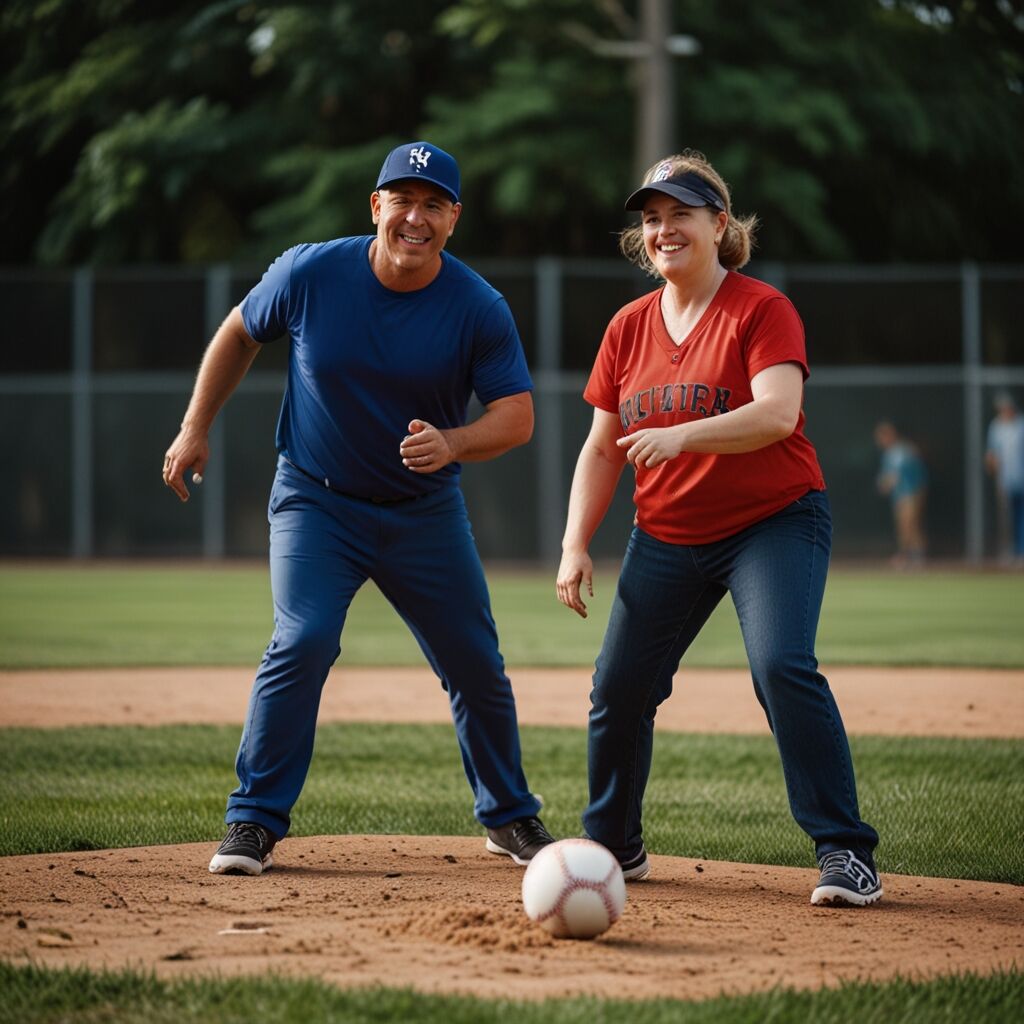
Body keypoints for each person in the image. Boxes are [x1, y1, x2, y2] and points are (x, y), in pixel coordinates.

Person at [162, 141, 553, 875]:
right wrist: (194, 427)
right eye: (402, 199)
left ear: (453, 218)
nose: (416, 216)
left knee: (475, 662)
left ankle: (509, 819)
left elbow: (518, 418)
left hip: (424, 511)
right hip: (318, 501)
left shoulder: (477, 307)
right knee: (303, 640)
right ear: (375, 207)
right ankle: (252, 822)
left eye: (434, 204)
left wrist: (455, 442)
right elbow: (239, 332)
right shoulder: (311, 272)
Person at [555, 150, 881, 907]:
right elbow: (602, 446)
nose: (664, 229)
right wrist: (575, 542)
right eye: (652, 218)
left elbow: (778, 414)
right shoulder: (628, 328)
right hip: (666, 533)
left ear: (718, 225)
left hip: (772, 523)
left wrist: (684, 436)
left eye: (681, 215)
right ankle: (612, 846)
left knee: (781, 668)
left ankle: (845, 851)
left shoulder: (761, 309)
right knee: (619, 687)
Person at [873, 420, 927, 568]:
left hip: (910, 493)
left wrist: (885, 483)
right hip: (901, 494)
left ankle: (905, 556)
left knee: (907, 525)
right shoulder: (890, 453)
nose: (880, 441)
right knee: (911, 526)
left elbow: (896, 477)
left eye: (881, 437)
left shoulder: (902, 450)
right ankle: (917, 557)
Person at [985, 392, 1024, 566]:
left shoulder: (1021, 425)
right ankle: (1009, 551)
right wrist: (992, 466)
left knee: (1021, 517)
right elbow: (992, 454)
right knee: (1006, 519)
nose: (1004, 411)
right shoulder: (996, 426)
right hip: (1005, 481)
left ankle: (1021, 551)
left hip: (1021, 478)